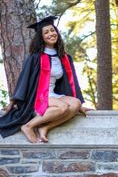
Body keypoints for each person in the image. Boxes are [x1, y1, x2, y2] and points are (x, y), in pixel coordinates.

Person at [0, 15, 88, 143]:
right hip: (36, 97)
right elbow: (23, 80)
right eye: (46, 32)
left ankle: (45, 127)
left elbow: (72, 82)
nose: (51, 34)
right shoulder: (35, 58)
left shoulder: (64, 58)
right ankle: (28, 126)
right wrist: (12, 103)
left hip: (52, 95)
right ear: (41, 37)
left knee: (75, 104)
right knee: (63, 107)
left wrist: (81, 105)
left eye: (53, 30)